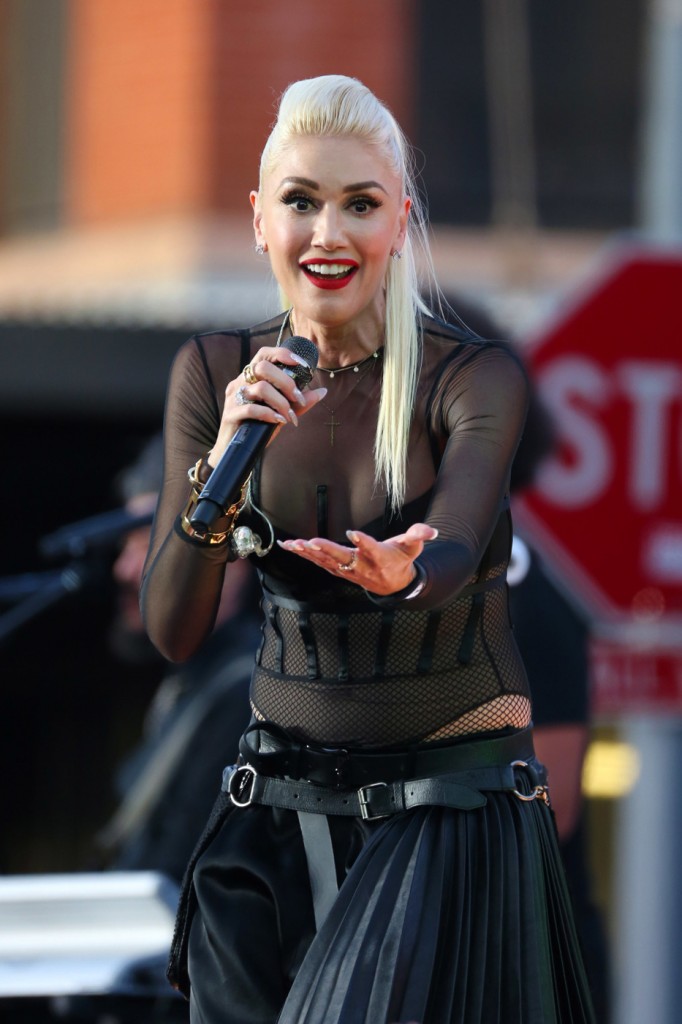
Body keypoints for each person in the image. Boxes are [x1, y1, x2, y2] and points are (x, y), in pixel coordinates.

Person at [141, 75, 595, 1023]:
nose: (329, 234)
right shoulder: (214, 374)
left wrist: (413, 569)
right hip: (273, 814)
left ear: (401, 221)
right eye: (302, 202)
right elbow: (174, 631)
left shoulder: (469, 378)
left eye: (361, 204)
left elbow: (462, 533)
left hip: (438, 824)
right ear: (260, 219)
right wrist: (217, 474)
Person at [97, 434, 261, 884]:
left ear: (228, 558)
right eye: (124, 545)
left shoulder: (248, 697)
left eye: (146, 543)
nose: (125, 569)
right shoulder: (190, 685)